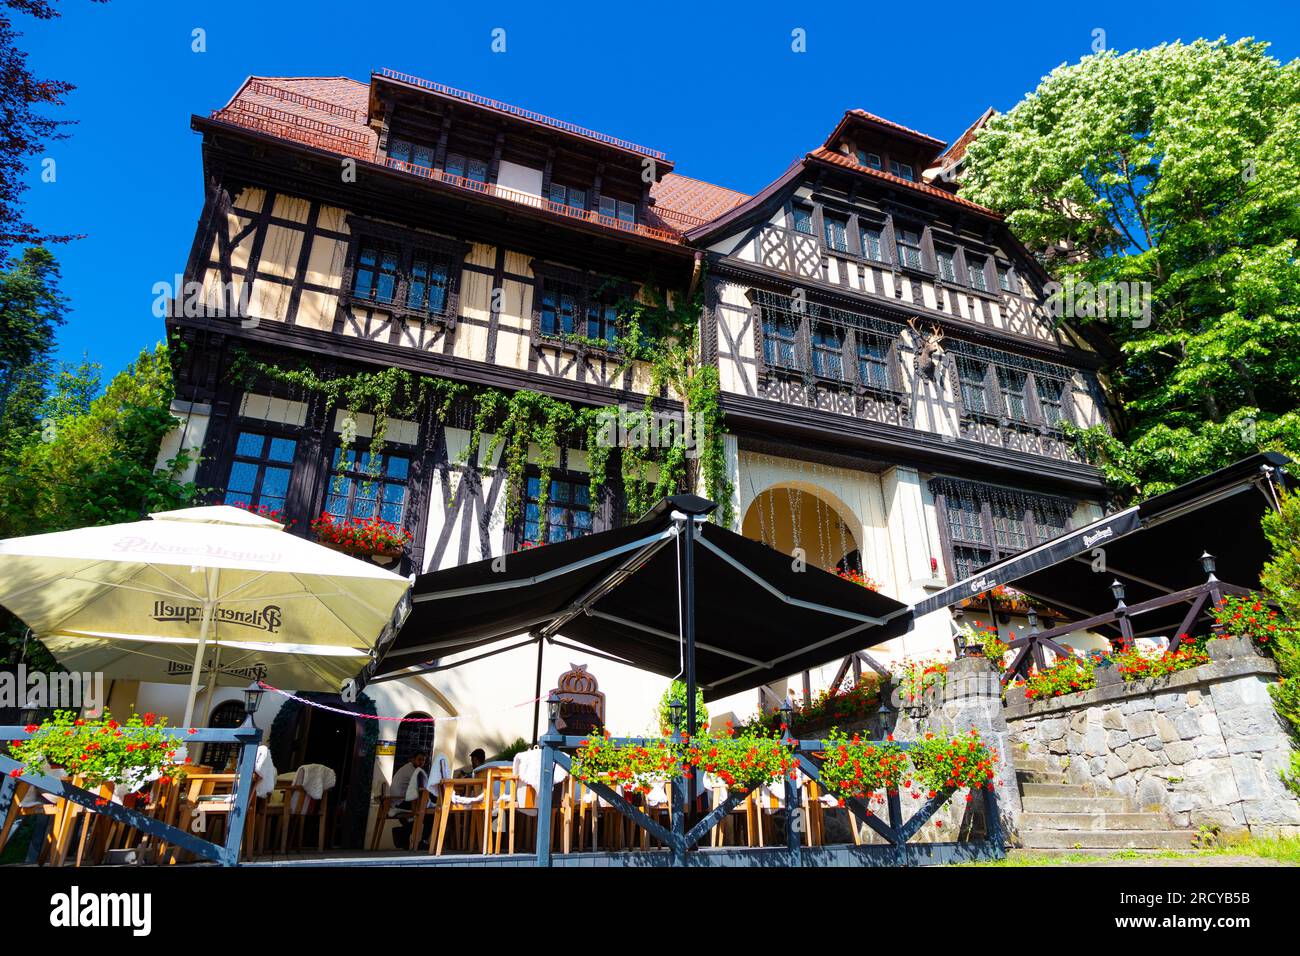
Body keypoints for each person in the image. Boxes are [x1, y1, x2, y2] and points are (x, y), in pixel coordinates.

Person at [389, 752, 434, 850]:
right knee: (429, 815)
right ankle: (422, 841)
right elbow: (422, 788)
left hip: (399, 801)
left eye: (423, 760)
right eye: (419, 759)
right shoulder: (413, 771)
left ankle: (402, 836)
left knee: (420, 815)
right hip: (400, 802)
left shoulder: (410, 769)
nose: (421, 762)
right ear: (412, 759)